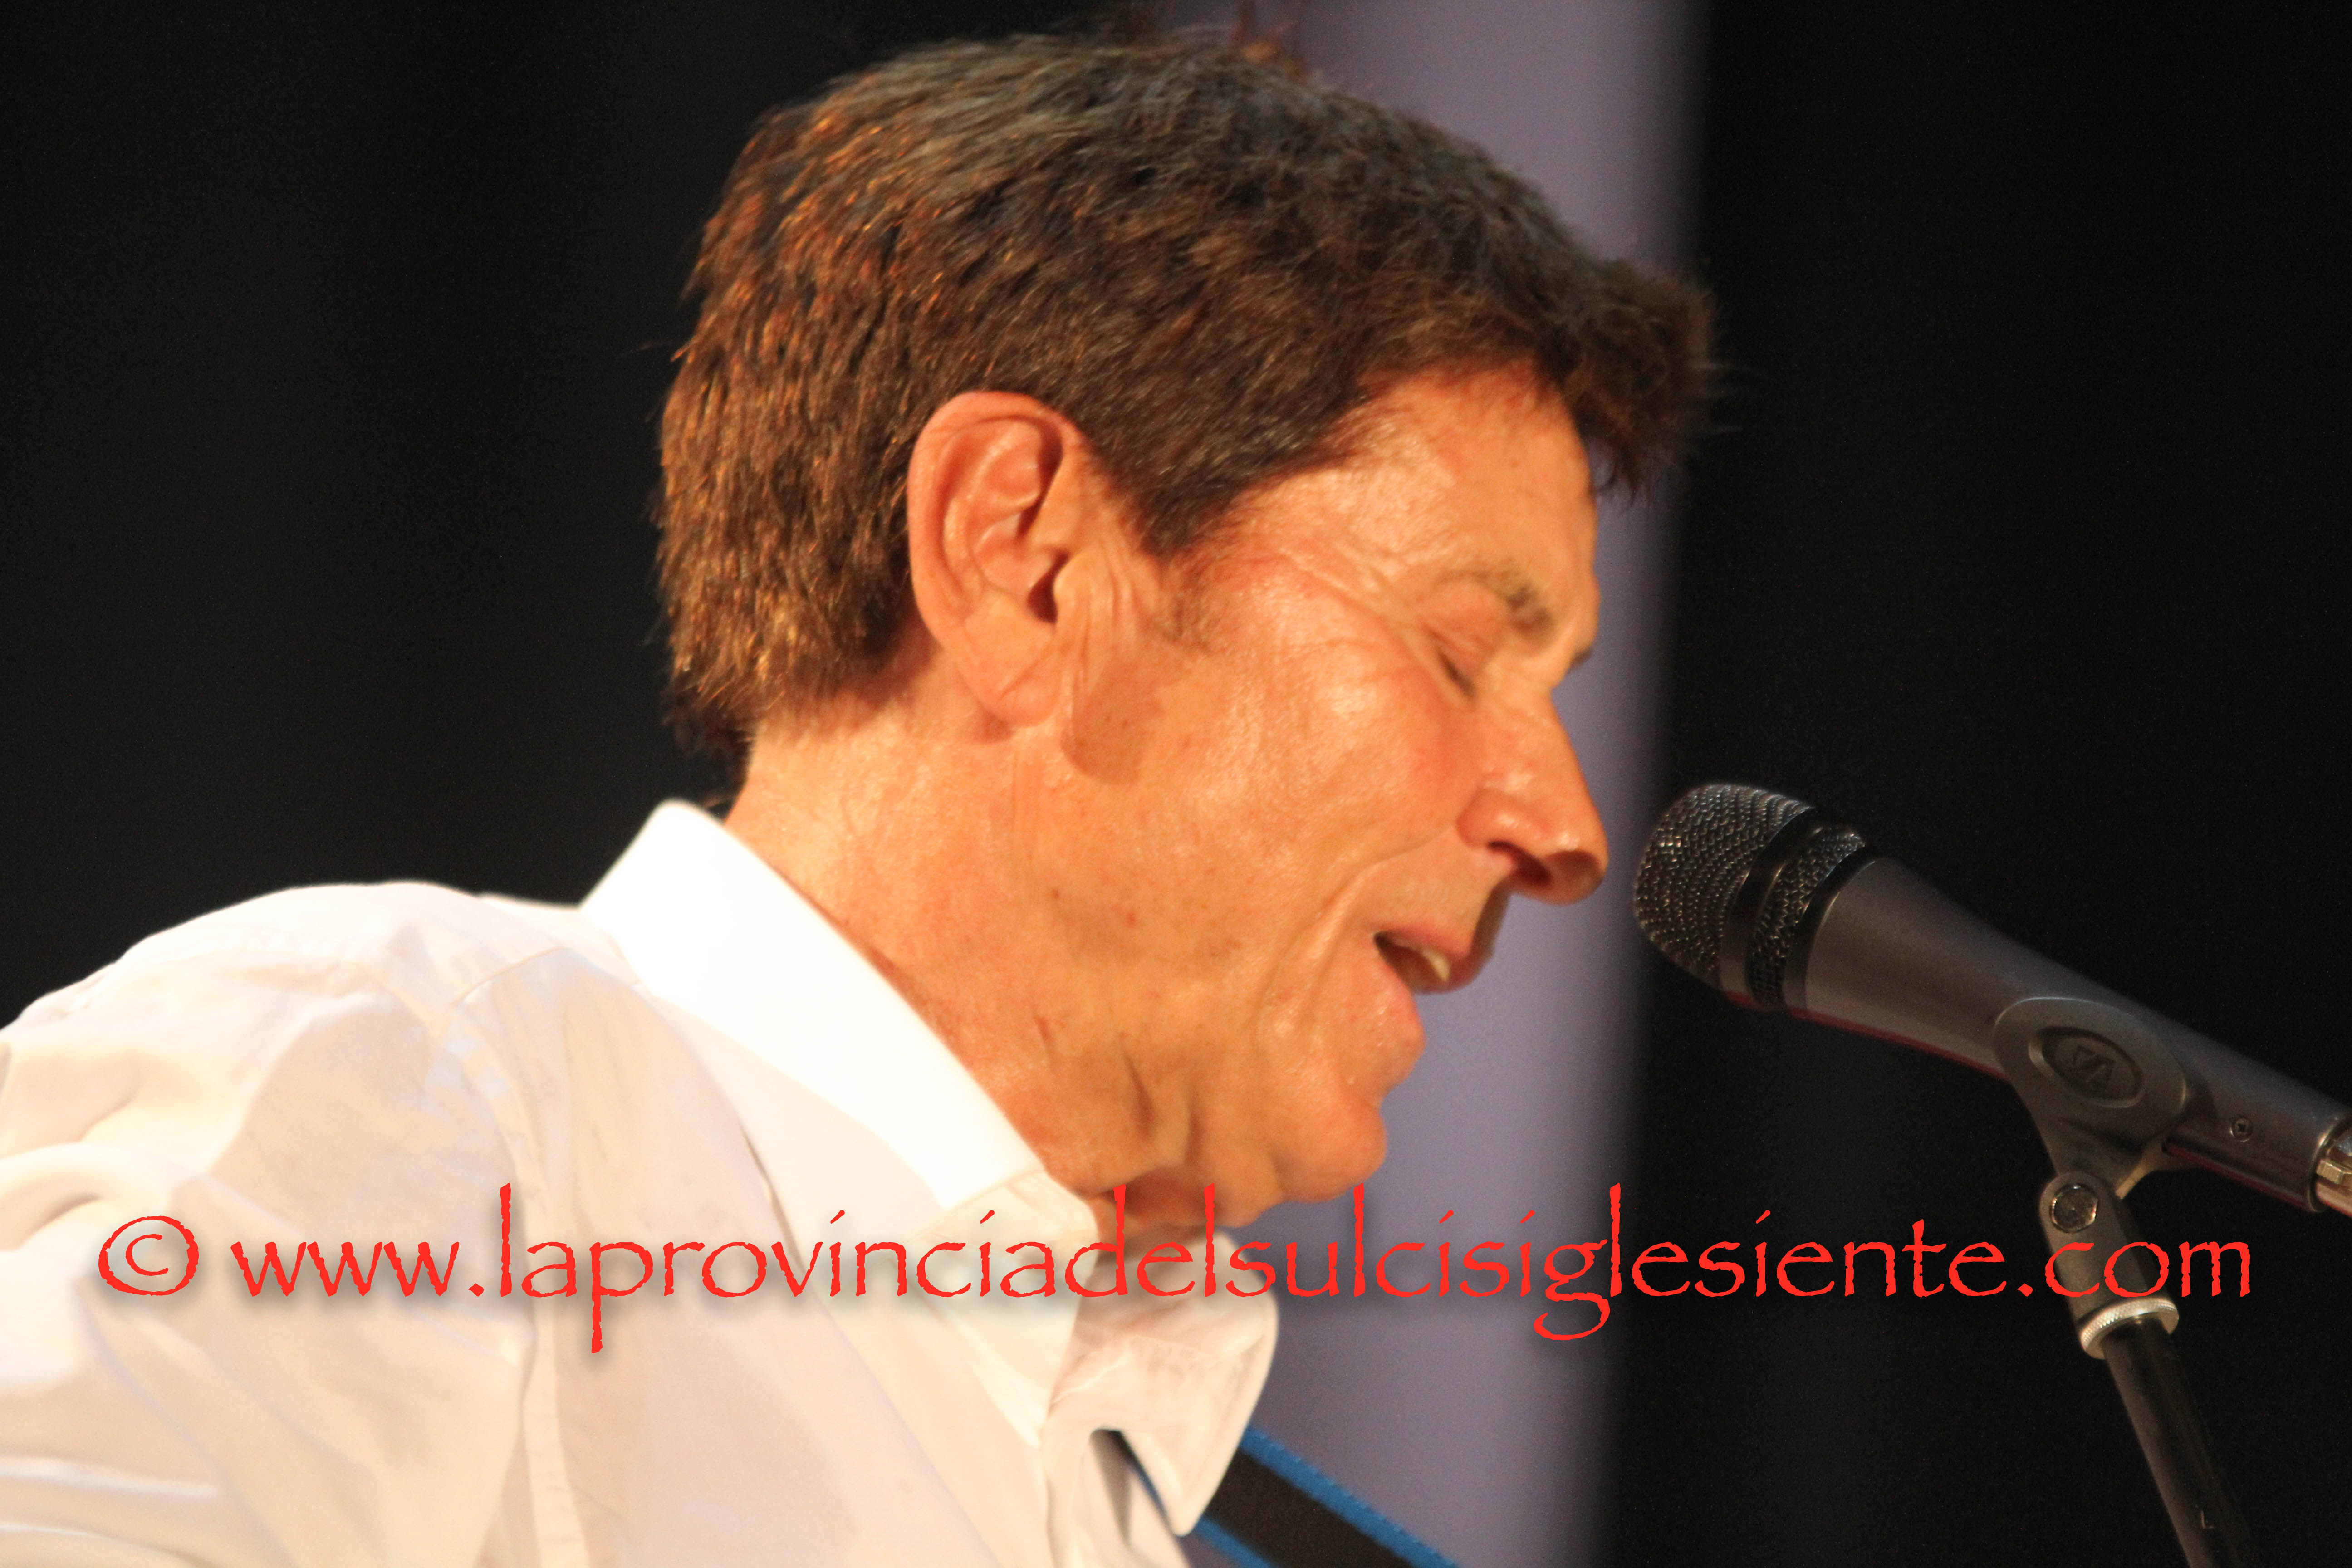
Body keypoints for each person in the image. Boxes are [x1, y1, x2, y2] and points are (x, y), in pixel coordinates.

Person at [0, 29, 1708, 1568]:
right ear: (1027, 557)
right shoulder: (412, 1097)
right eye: (1460, 653)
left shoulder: (1149, 1486)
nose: (1565, 828)